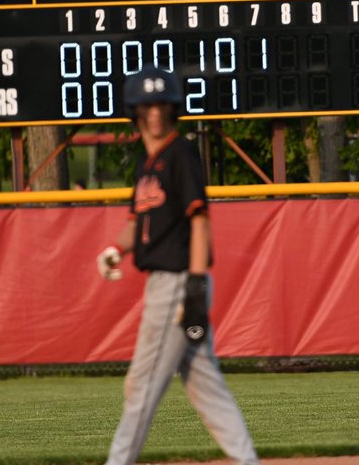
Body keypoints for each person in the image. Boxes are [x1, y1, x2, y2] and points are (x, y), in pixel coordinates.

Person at [97, 66, 258, 465]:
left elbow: (199, 221)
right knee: (206, 386)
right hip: (166, 282)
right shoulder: (146, 165)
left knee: (142, 383)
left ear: (173, 111)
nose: (155, 114)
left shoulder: (180, 154)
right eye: (147, 106)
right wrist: (115, 250)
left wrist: (195, 284)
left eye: (162, 106)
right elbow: (138, 225)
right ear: (134, 111)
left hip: (177, 285)